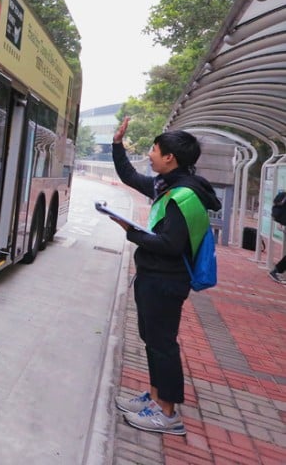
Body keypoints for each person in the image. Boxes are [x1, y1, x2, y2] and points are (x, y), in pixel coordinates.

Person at [108, 116, 221, 436]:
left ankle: (168, 413)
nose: (150, 154)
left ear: (170, 157)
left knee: (162, 345)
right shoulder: (168, 184)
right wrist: (117, 145)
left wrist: (131, 232)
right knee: (153, 340)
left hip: (165, 280)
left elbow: (171, 246)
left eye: (154, 149)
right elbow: (129, 175)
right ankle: (156, 398)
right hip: (155, 276)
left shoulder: (184, 195)